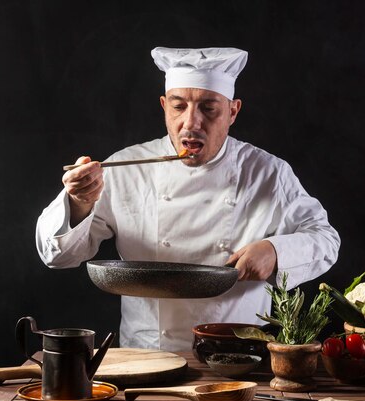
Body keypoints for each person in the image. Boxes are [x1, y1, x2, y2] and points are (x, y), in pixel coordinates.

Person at [36, 47, 340, 351]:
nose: (191, 123)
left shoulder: (267, 173)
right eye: (179, 107)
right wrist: (79, 202)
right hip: (146, 356)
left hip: (238, 360)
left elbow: (325, 240)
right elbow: (58, 257)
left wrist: (276, 251)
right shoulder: (125, 169)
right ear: (164, 106)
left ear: (233, 111)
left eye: (209, 108)